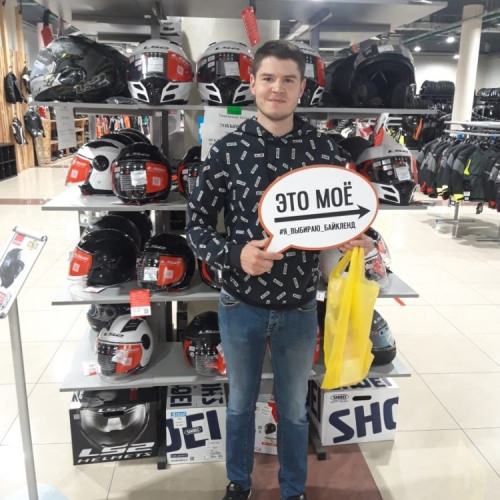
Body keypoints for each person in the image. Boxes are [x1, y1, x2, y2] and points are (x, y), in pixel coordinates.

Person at [186, 40, 373, 500]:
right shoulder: (227, 150)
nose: (277, 88)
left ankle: (293, 490)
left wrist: (352, 238)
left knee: (291, 409)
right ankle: (239, 484)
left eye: (288, 80)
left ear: (301, 88)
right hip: (240, 304)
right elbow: (196, 227)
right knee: (239, 404)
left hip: (299, 307)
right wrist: (235, 254)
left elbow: (338, 217)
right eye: (268, 78)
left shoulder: (323, 149)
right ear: (252, 84)